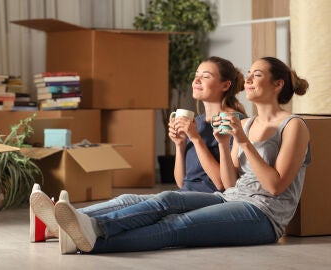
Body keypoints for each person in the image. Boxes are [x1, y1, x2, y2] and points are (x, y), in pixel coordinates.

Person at [48, 56, 311, 254]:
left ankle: (90, 239)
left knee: (176, 226)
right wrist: (223, 142)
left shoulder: (294, 126)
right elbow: (230, 184)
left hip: (263, 216)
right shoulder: (245, 124)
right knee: (167, 198)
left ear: (278, 84)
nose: (249, 80)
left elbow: (275, 186)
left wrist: (243, 143)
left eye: (257, 74)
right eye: (250, 74)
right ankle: (87, 224)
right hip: (230, 198)